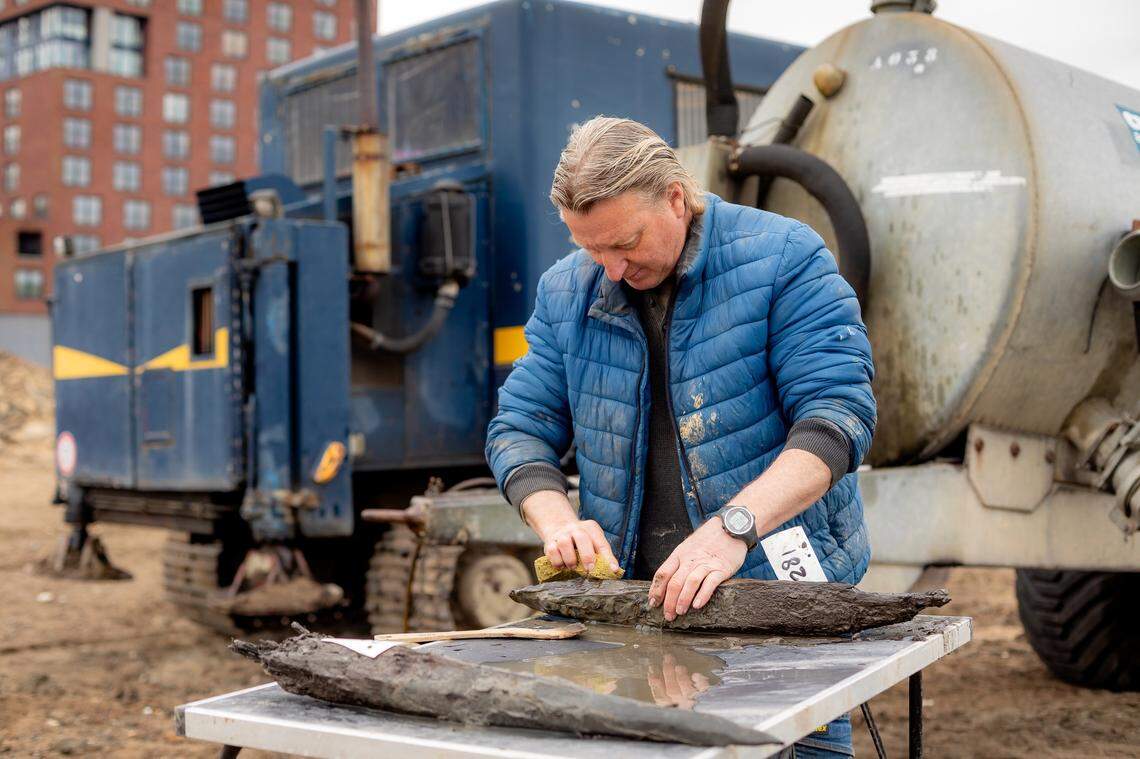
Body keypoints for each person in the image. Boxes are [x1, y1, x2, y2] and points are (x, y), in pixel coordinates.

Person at [485, 116, 875, 757]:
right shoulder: (566, 292)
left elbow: (838, 418)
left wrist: (735, 528)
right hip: (636, 611)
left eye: (626, 243)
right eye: (592, 249)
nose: (610, 269)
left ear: (675, 196)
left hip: (779, 601)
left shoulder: (785, 259)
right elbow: (519, 429)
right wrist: (556, 523)